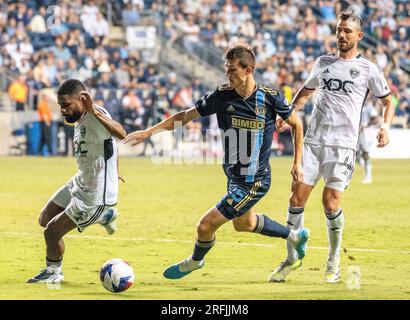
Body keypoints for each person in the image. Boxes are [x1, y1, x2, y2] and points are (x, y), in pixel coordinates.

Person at [124, 44, 309, 280]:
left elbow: (296, 123)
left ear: (248, 70)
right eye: (226, 69)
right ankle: (295, 235)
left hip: (255, 181)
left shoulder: (270, 98)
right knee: (245, 223)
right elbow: (185, 116)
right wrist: (149, 132)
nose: (227, 74)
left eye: (232, 70)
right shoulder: (222, 96)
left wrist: (297, 163)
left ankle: (195, 261)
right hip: (234, 177)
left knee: (205, 226)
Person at [271, 10, 395, 283]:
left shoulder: (369, 69)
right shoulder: (323, 62)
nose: (341, 34)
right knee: (295, 200)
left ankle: (333, 258)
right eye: (339, 29)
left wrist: (384, 127)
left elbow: (388, 101)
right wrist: (288, 115)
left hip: (344, 146)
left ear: (359, 36)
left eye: (347, 31)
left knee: (330, 203)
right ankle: (292, 258)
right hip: (313, 142)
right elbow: (305, 92)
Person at [27, 79, 126, 284]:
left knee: (51, 232)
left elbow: (120, 134)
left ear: (82, 99)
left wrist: (95, 112)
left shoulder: (95, 114)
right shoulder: (78, 117)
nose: (62, 110)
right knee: (44, 218)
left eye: (66, 104)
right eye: (60, 105)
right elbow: (109, 145)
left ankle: (53, 273)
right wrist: (115, 169)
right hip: (80, 180)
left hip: (95, 196)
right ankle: (106, 217)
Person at [358, 101, 380, 184]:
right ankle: (364, 165)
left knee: (365, 153)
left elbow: (376, 119)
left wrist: (366, 125)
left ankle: (368, 176)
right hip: (353, 132)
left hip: (365, 133)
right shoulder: (356, 103)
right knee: (354, 153)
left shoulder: (368, 106)